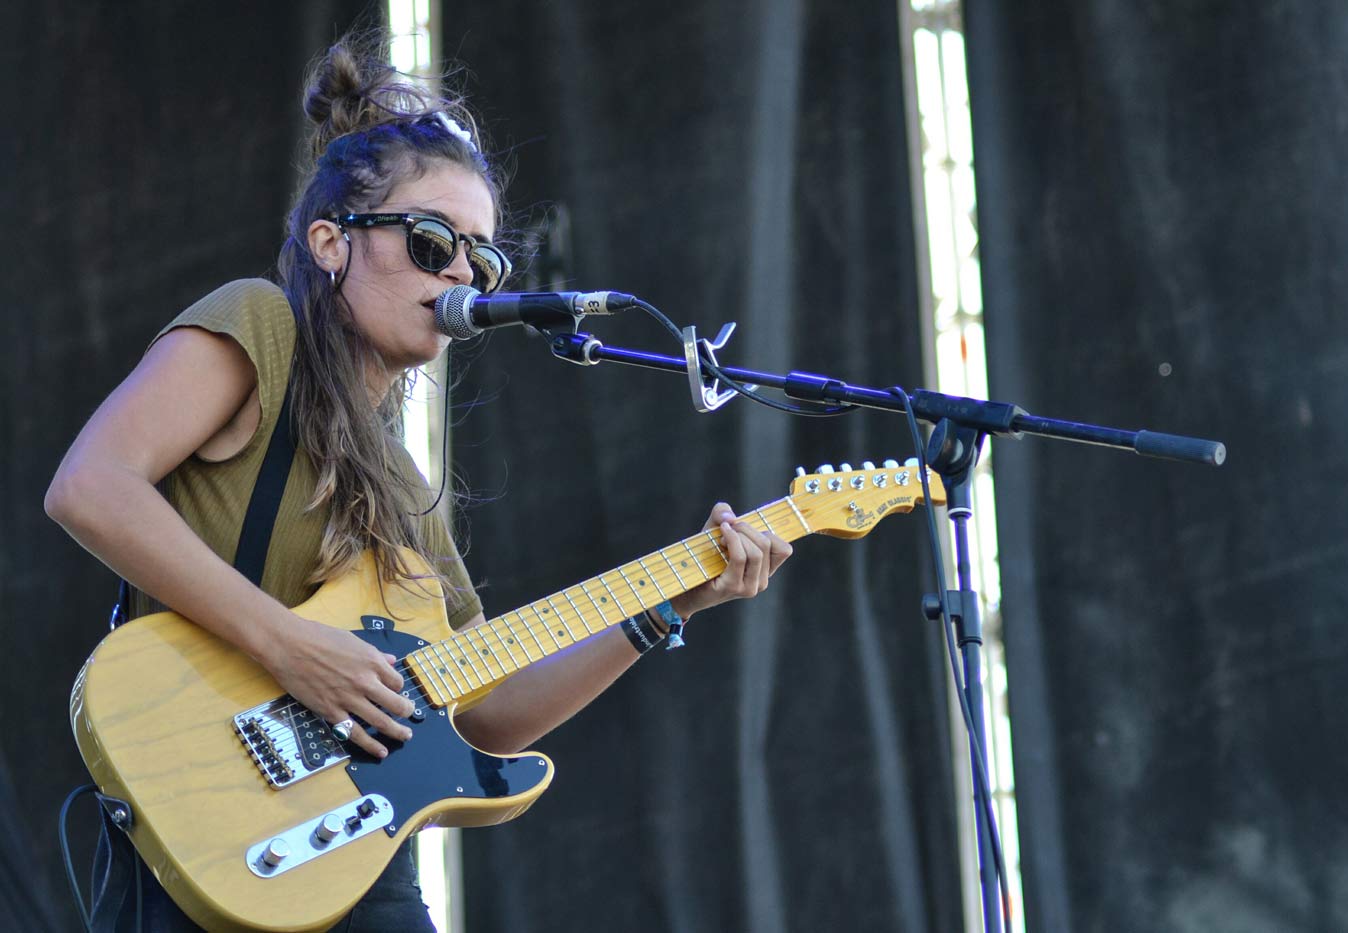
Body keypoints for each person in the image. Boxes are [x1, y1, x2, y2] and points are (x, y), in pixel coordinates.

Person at [46, 32, 791, 932]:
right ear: (331, 242)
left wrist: (671, 602)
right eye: (435, 241)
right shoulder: (260, 326)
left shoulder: (402, 483)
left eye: (484, 259)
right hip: (200, 829)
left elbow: (484, 712)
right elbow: (90, 485)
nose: (462, 274)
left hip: (359, 859)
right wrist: (289, 646)